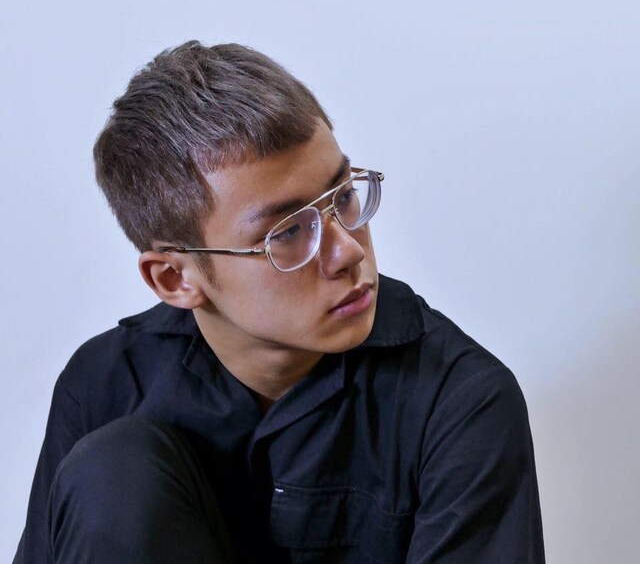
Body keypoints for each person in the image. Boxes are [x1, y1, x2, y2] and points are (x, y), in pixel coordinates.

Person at [14, 41, 545, 563]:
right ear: (175, 278)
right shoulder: (105, 385)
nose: (349, 251)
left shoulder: (459, 400)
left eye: (343, 196)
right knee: (115, 470)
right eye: (288, 232)